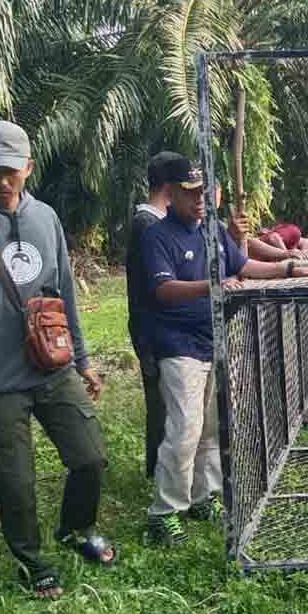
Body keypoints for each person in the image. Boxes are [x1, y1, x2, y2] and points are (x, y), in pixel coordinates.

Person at [0, 120, 117, 599]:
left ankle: (76, 530)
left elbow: (65, 295)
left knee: (90, 457)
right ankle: (31, 560)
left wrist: (82, 359)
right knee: (15, 481)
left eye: (10, 171)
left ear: (28, 168)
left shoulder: (45, 218)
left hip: (52, 367)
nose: (1, 181)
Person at [140, 158, 308, 546]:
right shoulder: (156, 235)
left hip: (215, 341)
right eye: (191, 194)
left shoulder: (211, 231)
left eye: (205, 192)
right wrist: (210, 286)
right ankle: (164, 513)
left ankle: (202, 496)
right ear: (171, 195)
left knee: (211, 427)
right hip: (179, 345)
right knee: (185, 428)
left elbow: (244, 267)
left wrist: (290, 268)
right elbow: (163, 290)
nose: (200, 200)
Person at [129, 151, 182, 479]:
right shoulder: (147, 224)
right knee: (162, 405)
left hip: (161, 327)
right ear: (170, 188)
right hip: (153, 329)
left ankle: (165, 468)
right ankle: (162, 471)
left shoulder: (155, 222)